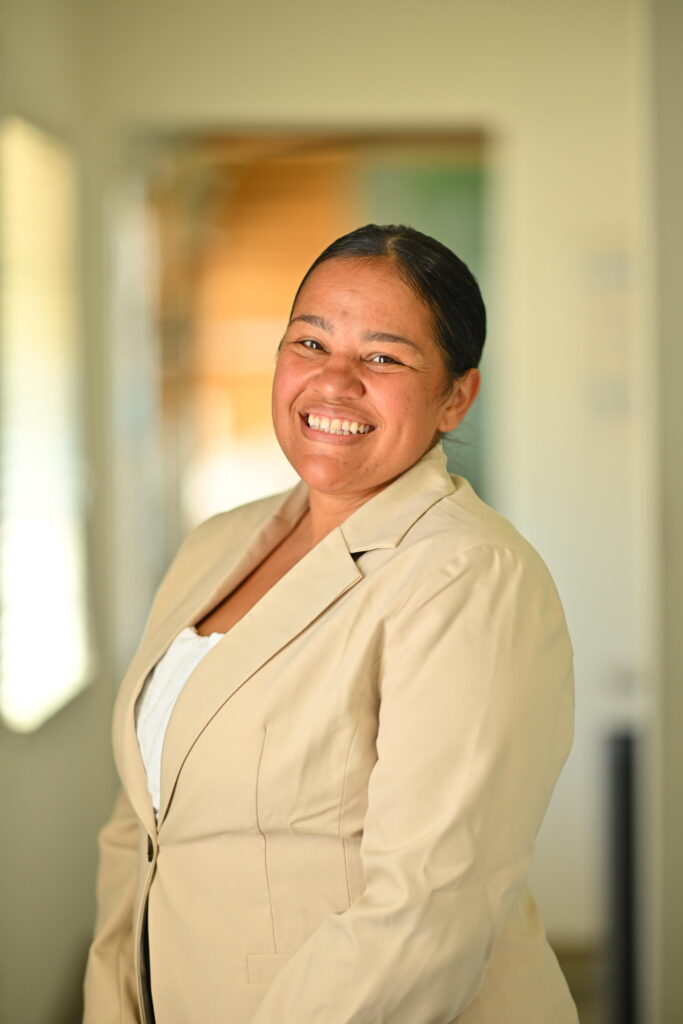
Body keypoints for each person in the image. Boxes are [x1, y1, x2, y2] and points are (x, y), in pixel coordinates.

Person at [83, 224, 577, 1023]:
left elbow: (427, 908)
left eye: (383, 357)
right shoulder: (216, 544)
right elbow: (136, 830)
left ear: (456, 395)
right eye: (309, 342)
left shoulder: (468, 575)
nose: (334, 381)